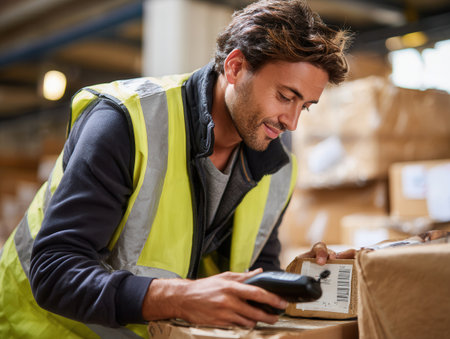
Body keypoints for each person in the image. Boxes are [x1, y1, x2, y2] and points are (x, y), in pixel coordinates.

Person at [0, 0, 353, 337]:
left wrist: (300, 281)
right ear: (235, 67)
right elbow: (53, 271)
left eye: (304, 106)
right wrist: (181, 298)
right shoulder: (126, 123)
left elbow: (255, 269)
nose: (291, 122)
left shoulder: (276, 164)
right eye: (285, 96)